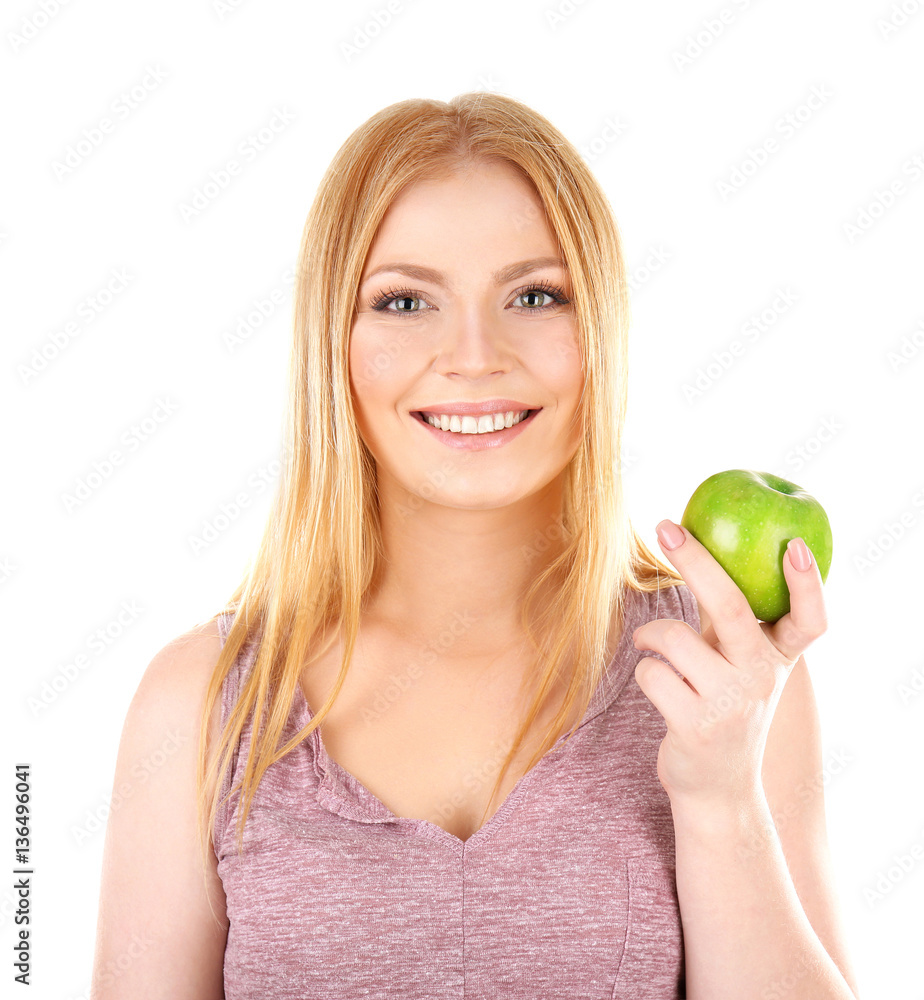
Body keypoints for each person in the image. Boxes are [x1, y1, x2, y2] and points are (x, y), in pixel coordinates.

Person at [90, 92, 861, 998]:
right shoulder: (204, 702)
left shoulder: (720, 674)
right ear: (331, 344)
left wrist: (723, 801)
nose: (472, 354)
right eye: (405, 300)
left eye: (535, 294)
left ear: (598, 333)